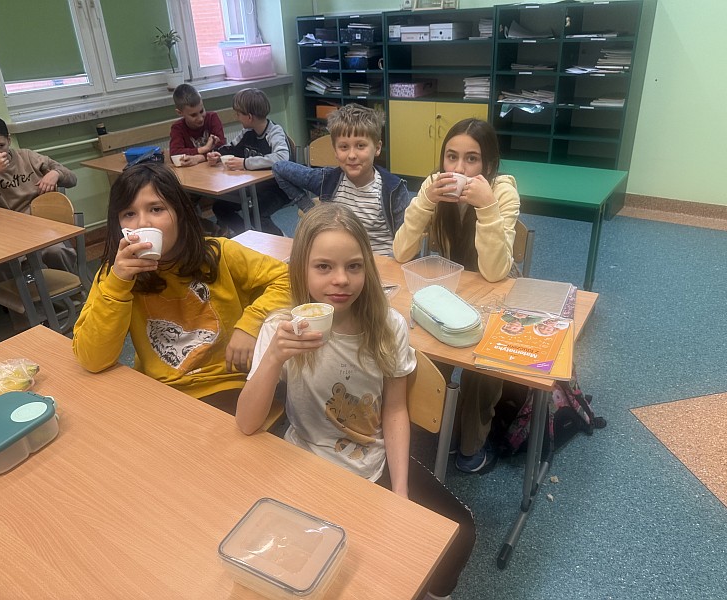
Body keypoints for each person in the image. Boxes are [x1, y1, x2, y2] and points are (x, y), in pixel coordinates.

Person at [236, 203, 475, 600]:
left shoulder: (387, 327)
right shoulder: (281, 328)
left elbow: (395, 411)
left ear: (367, 268)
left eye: (354, 266)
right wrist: (274, 357)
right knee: (320, 567)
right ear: (301, 270)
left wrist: (400, 491)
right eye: (323, 267)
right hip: (306, 464)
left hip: (371, 463)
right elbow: (246, 424)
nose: (341, 280)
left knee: (460, 530)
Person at [72, 163, 291, 414]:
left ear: (179, 212)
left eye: (156, 209)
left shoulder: (219, 253)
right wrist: (118, 283)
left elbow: (288, 278)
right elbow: (92, 359)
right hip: (160, 392)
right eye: (129, 214)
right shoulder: (114, 275)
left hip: (231, 383)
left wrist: (250, 325)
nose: (143, 223)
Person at [393, 118, 520, 474]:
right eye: (451, 157)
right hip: (449, 287)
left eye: (471, 159)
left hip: (495, 291)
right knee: (421, 344)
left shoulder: (502, 191)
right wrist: (425, 202)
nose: (459, 169)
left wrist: (487, 207)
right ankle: (439, 423)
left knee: (483, 365)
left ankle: (472, 444)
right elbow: (401, 252)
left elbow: (495, 272)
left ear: (488, 165)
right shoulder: (434, 184)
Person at [272, 103, 410, 256]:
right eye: (344, 147)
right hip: (338, 259)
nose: (351, 155)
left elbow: (406, 243)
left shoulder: (393, 189)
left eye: (360, 146)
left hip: (380, 263)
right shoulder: (328, 179)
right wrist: (309, 209)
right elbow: (279, 168)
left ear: (377, 148)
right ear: (335, 151)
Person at [0, 113, 78, 273]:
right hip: (9, 231)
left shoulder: (27, 157)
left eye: (0, 146)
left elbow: (72, 179)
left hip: (42, 224)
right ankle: (30, 286)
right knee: (0, 263)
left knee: (55, 252)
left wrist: (56, 173)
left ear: (9, 140)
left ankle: (72, 282)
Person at [206, 88, 291, 237]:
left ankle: (282, 239)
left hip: (279, 188)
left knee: (256, 214)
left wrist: (246, 163)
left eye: (238, 114)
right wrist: (217, 155)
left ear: (249, 117)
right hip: (255, 188)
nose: (237, 117)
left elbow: (282, 157)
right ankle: (248, 236)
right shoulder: (246, 132)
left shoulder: (274, 132)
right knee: (220, 207)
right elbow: (230, 148)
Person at [169, 84, 226, 166]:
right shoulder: (177, 128)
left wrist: (199, 158)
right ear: (180, 113)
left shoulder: (212, 118)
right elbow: (174, 154)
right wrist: (203, 149)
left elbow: (223, 148)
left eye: (201, 111)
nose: (200, 119)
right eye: (193, 115)